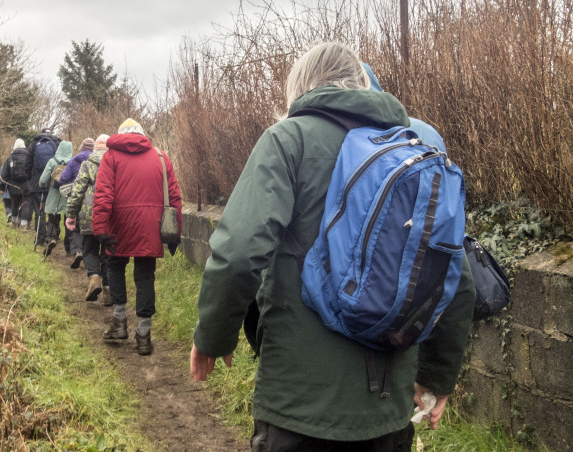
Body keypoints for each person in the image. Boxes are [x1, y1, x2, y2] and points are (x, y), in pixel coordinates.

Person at [189, 42, 475, 451]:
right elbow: (455, 276)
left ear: (301, 89)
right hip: (388, 411)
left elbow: (238, 253)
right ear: (363, 84)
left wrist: (213, 337)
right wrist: (436, 378)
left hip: (300, 406)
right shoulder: (415, 151)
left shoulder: (289, 140)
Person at [92, 119, 182, 356]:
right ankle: (144, 335)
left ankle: (119, 322)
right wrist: (176, 234)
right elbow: (174, 198)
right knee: (145, 276)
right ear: (142, 134)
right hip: (149, 227)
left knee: (114, 266)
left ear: (120, 134)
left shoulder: (110, 157)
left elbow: (102, 195)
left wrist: (100, 228)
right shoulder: (161, 158)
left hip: (117, 226)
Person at [66, 135, 112, 305]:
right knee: (107, 252)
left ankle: (94, 279)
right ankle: (108, 291)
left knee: (89, 248)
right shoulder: (114, 164)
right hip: (109, 215)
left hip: (88, 214)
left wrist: (71, 214)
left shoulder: (86, 165)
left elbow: (77, 191)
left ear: (95, 149)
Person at [59, 137, 95, 269]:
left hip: (76, 196)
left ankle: (77, 251)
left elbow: (63, 179)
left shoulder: (74, 160)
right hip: (92, 200)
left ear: (81, 148)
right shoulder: (98, 160)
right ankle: (87, 256)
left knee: (74, 227)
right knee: (88, 229)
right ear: (93, 149)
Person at [27, 128, 61, 247]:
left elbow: (27, 163)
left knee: (40, 211)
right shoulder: (57, 143)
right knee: (53, 210)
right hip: (53, 183)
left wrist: (29, 179)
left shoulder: (33, 143)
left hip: (37, 183)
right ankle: (53, 236)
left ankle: (40, 239)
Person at [39, 141, 73, 258]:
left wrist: (42, 185)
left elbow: (43, 180)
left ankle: (52, 238)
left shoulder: (52, 162)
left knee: (53, 219)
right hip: (68, 196)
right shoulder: (72, 163)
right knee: (68, 222)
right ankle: (69, 249)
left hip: (54, 196)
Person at [0, 138, 33, 228]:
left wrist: (1, 187)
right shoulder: (29, 157)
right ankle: (23, 225)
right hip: (27, 185)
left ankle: (14, 223)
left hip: (13, 185)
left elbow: (5, 174)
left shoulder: (10, 157)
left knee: (15, 204)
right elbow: (33, 171)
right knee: (26, 204)